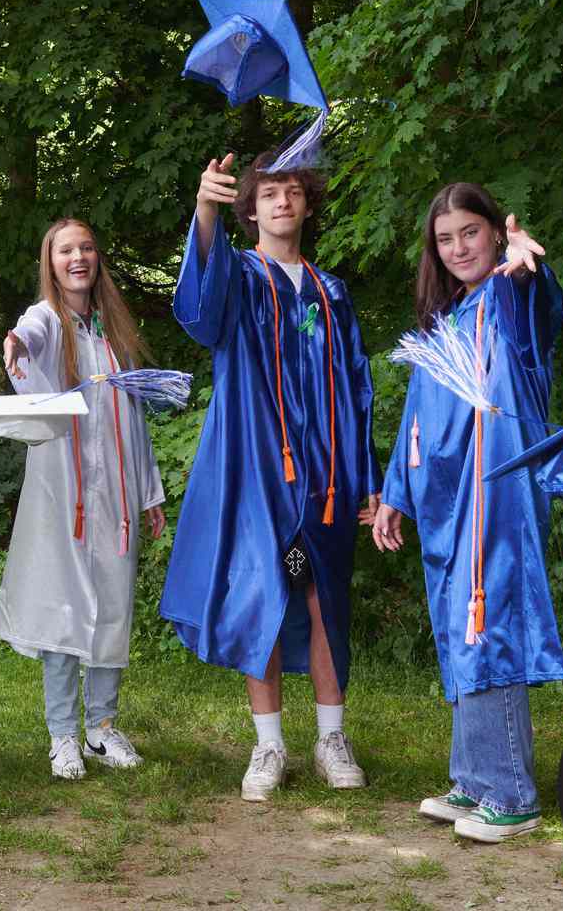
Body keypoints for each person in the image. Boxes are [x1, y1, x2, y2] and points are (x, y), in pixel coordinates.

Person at [160, 150, 382, 801]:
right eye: (268, 194)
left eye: (292, 191)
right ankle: (269, 745)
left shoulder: (328, 291)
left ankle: (331, 739)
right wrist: (203, 208)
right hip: (256, 464)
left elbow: (356, 386)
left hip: (324, 470)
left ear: (308, 204)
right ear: (249, 209)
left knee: (322, 599)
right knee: (265, 592)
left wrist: (364, 475)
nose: (281, 201)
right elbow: (198, 313)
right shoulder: (241, 278)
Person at [371, 182, 556, 843]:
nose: (457, 248)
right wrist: (396, 493)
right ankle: (474, 780)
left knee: (489, 629)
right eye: (445, 239)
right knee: (459, 632)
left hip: (496, 497)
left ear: (493, 233)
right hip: (449, 504)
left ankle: (511, 792)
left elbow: (539, 310)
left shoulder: (505, 302)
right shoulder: (445, 322)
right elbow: (418, 420)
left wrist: (529, 269)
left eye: (470, 233)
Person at [0, 218, 166, 780]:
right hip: (61, 492)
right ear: (51, 260)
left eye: (87, 247)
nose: (78, 257)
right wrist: (17, 345)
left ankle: (103, 729)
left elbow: (132, 417)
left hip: (114, 492)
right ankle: (63, 734)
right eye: (66, 249)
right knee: (60, 608)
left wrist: (148, 492)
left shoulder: (112, 330)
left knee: (113, 606)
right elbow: (29, 337)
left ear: (97, 257)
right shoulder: (47, 319)